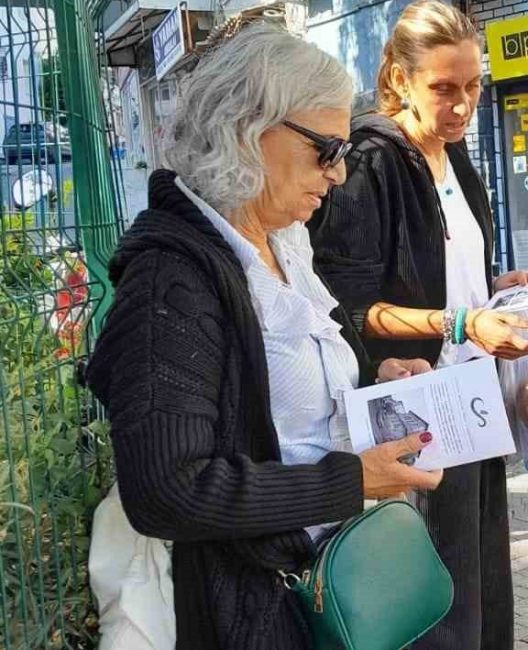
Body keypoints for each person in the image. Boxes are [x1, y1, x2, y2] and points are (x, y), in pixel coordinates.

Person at [85, 25, 443, 649]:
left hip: (323, 584)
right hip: (253, 610)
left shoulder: (283, 243)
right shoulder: (172, 280)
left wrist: (369, 387)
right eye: (327, 148)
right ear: (247, 127)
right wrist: (348, 482)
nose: (337, 173)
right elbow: (167, 490)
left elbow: (281, 410)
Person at [307, 2, 528, 647]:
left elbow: (438, 272)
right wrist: (462, 321)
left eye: (473, 87)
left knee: (482, 583)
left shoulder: (456, 159)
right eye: (444, 88)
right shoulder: (369, 164)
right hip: (414, 413)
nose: (463, 105)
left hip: (473, 406)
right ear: (399, 80)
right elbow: (344, 309)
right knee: (434, 603)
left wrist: (493, 290)